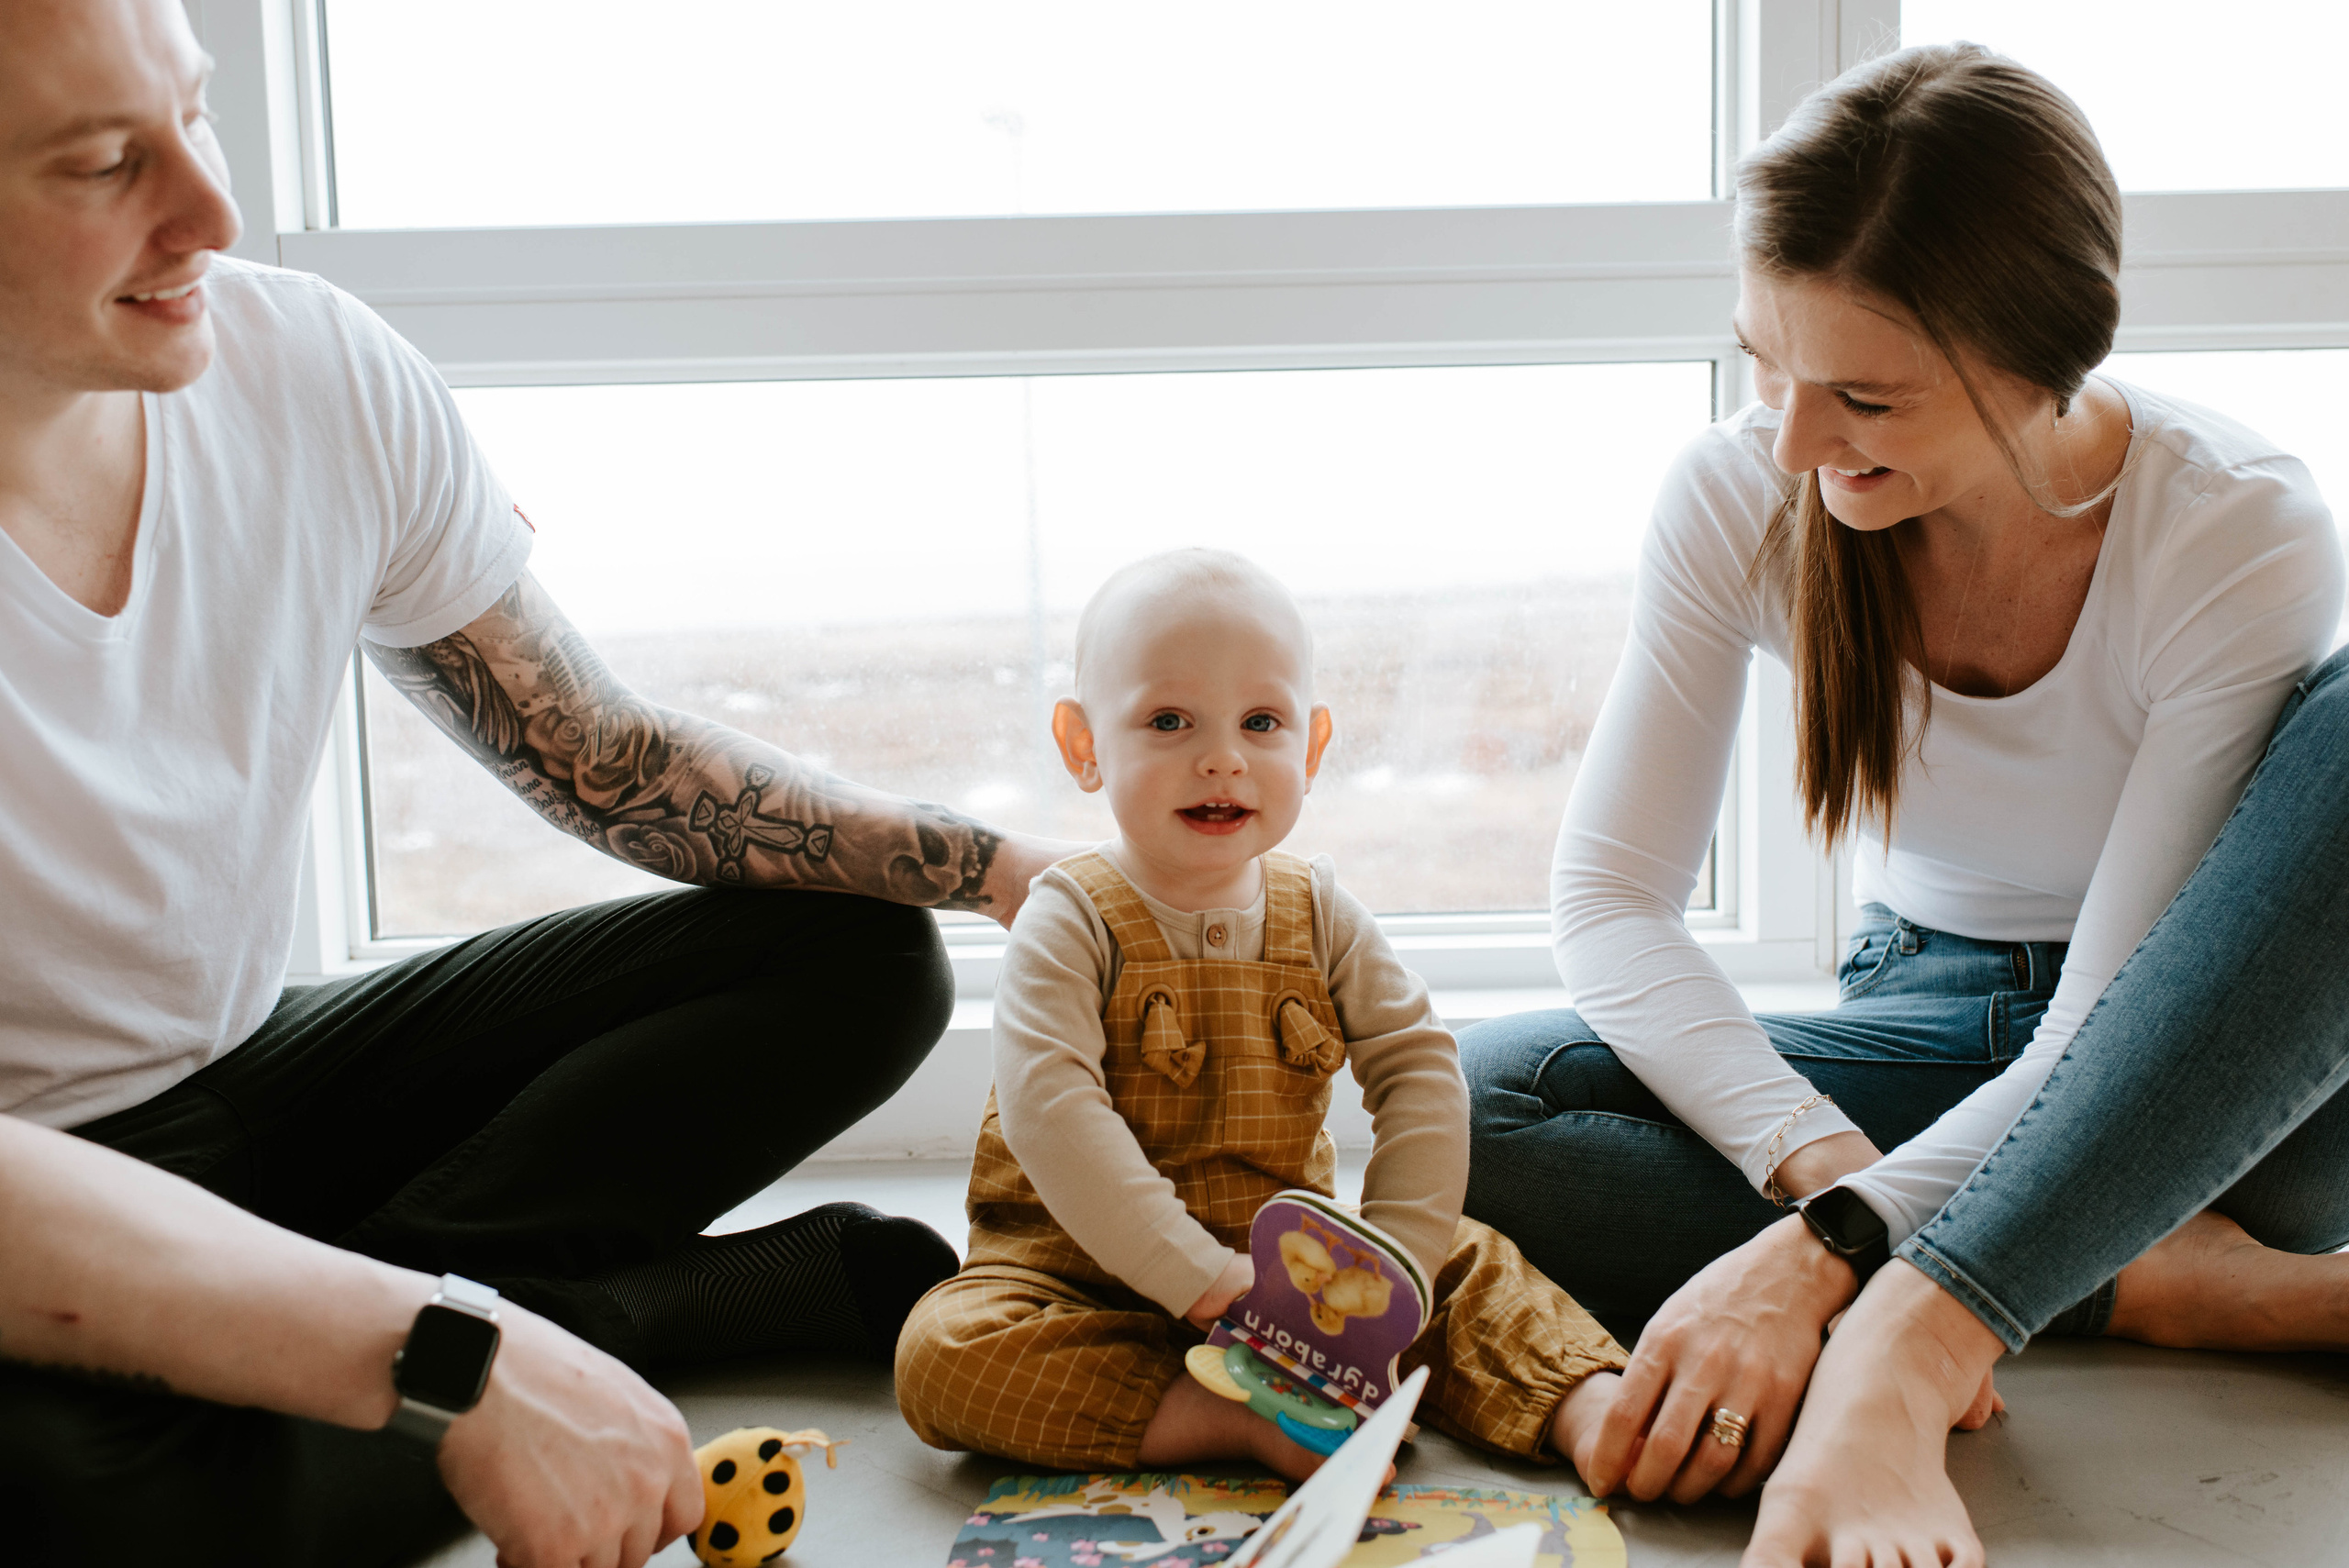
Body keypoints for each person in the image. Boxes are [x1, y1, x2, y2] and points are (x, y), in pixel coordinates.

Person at [0, 3, 1075, 1565]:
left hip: (251, 1073)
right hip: (33, 1182)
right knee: (61, 1506)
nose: (212, 213)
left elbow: (602, 755)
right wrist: (446, 1356)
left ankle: (426, 1348)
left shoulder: (307, 363)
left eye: (198, 115)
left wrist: (1002, 866)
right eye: (107, 163)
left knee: (849, 944)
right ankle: (614, 1322)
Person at [1455, 38, 2349, 1528]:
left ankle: (2005, 1272)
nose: (1795, 440)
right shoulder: (1744, 486)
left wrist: (1830, 1254)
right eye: (1766, 364)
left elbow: (2104, 1036)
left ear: (2035, 365)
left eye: (1864, 396)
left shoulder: (2229, 528)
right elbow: (1612, 899)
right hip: (1922, 1016)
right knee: (1496, 1104)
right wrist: (1823, 1173)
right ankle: (2157, 1278)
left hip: (2199, 1066)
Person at [894, 550, 1628, 1481]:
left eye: (1261, 721)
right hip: (1074, 1276)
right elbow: (1053, 1111)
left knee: (1470, 1260)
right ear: (1083, 746)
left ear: (1312, 748)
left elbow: (1417, 1071)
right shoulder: (1065, 915)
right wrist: (1199, 1279)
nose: (1221, 756)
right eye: (1168, 720)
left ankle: (1586, 1405)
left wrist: (1394, 1262)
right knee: (942, 1354)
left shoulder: (1320, 912)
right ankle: (1225, 1416)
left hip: (1303, 1278)